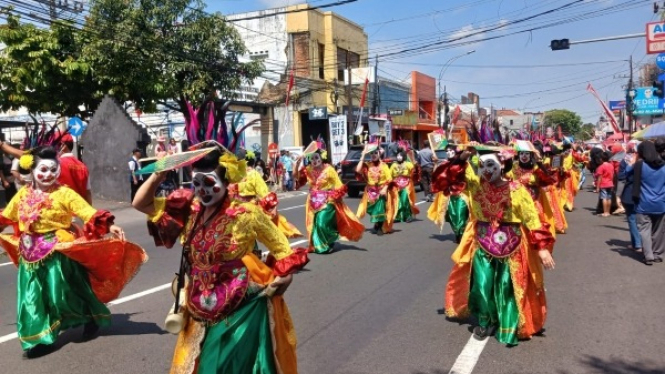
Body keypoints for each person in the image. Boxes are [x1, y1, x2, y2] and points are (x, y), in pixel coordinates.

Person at [131, 146, 308, 373]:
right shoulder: (188, 210)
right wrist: (159, 173)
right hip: (198, 308)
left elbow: (282, 248)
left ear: (226, 181)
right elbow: (140, 203)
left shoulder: (247, 213)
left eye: (209, 182)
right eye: (197, 183)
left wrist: (285, 278)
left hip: (240, 310)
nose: (202, 190)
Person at [0, 145, 146, 359]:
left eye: (52, 169)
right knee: (32, 298)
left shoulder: (64, 193)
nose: (48, 174)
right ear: (32, 171)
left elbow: (87, 211)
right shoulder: (22, 194)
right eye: (43, 170)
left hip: (58, 250)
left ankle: (89, 317)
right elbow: (8, 216)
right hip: (29, 253)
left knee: (62, 295)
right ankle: (41, 338)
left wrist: (109, 226)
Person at [433, 145, 555, 346]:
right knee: (482, 285)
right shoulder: (476, 185)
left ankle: (507, 325)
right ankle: (485, 320)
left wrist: (541, 248)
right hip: (483, 243)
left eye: (490, 165)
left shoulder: (517, 190)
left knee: (507, 288)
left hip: (513, 245)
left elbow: (532, 219)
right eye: (481, 166)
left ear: (502, 165)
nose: (486, 170)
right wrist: (462, 158)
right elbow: (447, 179)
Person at [294, 149, 364, 254]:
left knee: (322, 222)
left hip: (327, 199)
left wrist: (336, 195)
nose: (314, 160)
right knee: (314, 225)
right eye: (312, 158)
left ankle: (326, 243)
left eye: (316, 157)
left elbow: (338, 184)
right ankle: (322, 244)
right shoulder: (308, 169)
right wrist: (297, 164)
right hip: (312, 201)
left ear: (322, 158)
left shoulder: (329, 170)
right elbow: (298, 179)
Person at [232, 150, 302, 239]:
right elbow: (264, 194)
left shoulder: (234, 175)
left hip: (235, 212)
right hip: (249, 211)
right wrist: (272, 208)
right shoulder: (253, 174)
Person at [626, 141, 665, 266]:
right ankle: (658, 254)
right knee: (659, 231)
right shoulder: (664, 166)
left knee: (644, 230)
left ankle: (648, 256)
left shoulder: (639, 165)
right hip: (661, 203)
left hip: (643, 203)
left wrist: (632, 162)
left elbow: (626, 173)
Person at [428, 145, 471, 243]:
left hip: (462, 193)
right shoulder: (445, 164)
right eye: (447, 151)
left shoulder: (462, 162)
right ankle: (457, 233)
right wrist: (435, 164)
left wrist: (466, 147)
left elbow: (464, 155)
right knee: (452, 216)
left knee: (460, 215)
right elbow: (437, 176)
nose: (448, 152)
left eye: (451, 150)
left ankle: (462, 234)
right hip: (449, 194)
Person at [356, 145, 396, 236]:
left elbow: (389, 179)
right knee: (370, 209)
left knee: (380, 208)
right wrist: (363, 155)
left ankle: (379, 228)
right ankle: (377, 224)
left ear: (379, 154)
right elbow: (358, 170)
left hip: (381, 191)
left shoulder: (384, 166)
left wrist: (385, 189)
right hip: (370, 191)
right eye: (371, 153)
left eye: (375, 153)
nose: (373, 155)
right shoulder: (368, 165)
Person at [618, 147, 642, 253]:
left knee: (632, 220)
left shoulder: (627, 162)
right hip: (645, 194)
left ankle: (637, 244)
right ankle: (639, 243)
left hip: (630, 193)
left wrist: (630, 164)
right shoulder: (650, 162)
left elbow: (622, 176)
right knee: (642, 221)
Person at [58, 134, 92, 204]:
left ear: (63, 146)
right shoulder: (83, 167)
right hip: (80, 210)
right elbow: (88, 192)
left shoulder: (56, 165)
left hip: (63, 211)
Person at [390, 149, 419, 223]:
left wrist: (414, 167)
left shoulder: (408, 164)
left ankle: (408, 216)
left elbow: (414, 171)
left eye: (400, 155)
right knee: (396, 201)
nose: (399, 157)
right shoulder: (393, 165)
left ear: (404, 156)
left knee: (405, 200)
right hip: (396, 185)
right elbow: (390, 175)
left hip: (406, 184)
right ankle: (397, 216)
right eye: (398, 155)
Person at [594, 151, 614, 217]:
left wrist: (597, 187)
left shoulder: (601, 167)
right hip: (610, 183)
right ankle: (608, 212)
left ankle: (605, 212)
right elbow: (613, 175)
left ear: (601, 159)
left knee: (604, 198)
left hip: (604, 184)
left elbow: (599, 177)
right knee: (609, 198)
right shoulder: (611, 165)